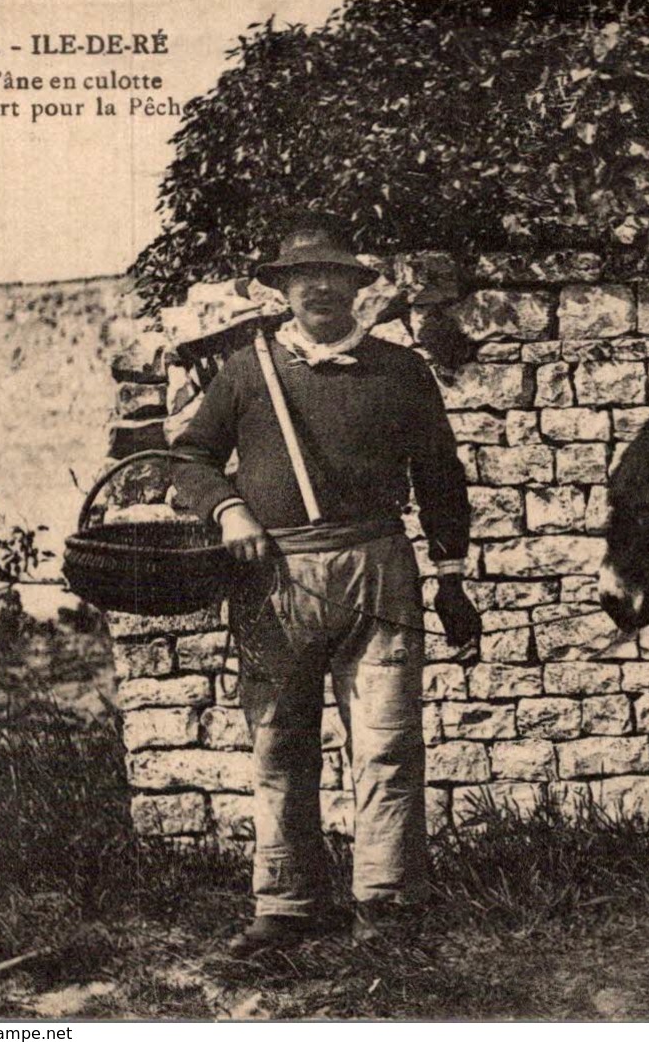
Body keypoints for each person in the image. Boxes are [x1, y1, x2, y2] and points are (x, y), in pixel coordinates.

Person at [172, 214, 482, 955]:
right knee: (280, 745)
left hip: (379, 572)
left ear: (356, 287)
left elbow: (440, 476)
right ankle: (286, 904)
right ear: (279, 289)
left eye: (334, 275)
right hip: (273, 579)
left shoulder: (400, 371)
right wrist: (229, 507)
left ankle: (389, 902)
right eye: (300, 277)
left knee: (387, 746)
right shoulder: (248, 372)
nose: (318, 287)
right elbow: (188, 460)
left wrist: (450, 578)